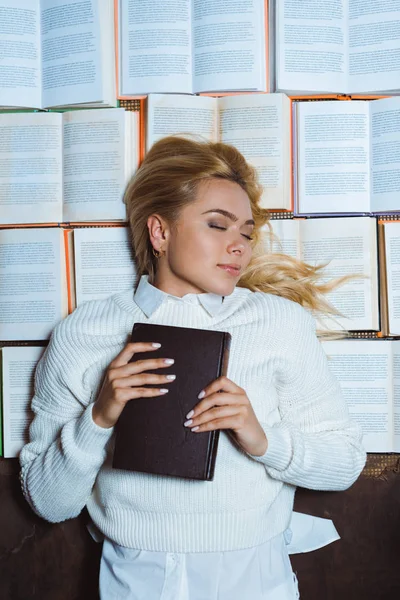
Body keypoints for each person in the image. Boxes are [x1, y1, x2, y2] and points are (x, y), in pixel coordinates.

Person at [20, 136, 366, 599]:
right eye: (217, 226)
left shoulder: (280, 323)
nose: (238, 247)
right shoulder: (84, 334)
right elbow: (48, 503)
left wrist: (261, 439)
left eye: (245, 231)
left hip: (255, 575)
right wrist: (99, 418)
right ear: (160, 232)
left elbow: (344, 464)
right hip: (134, 578)